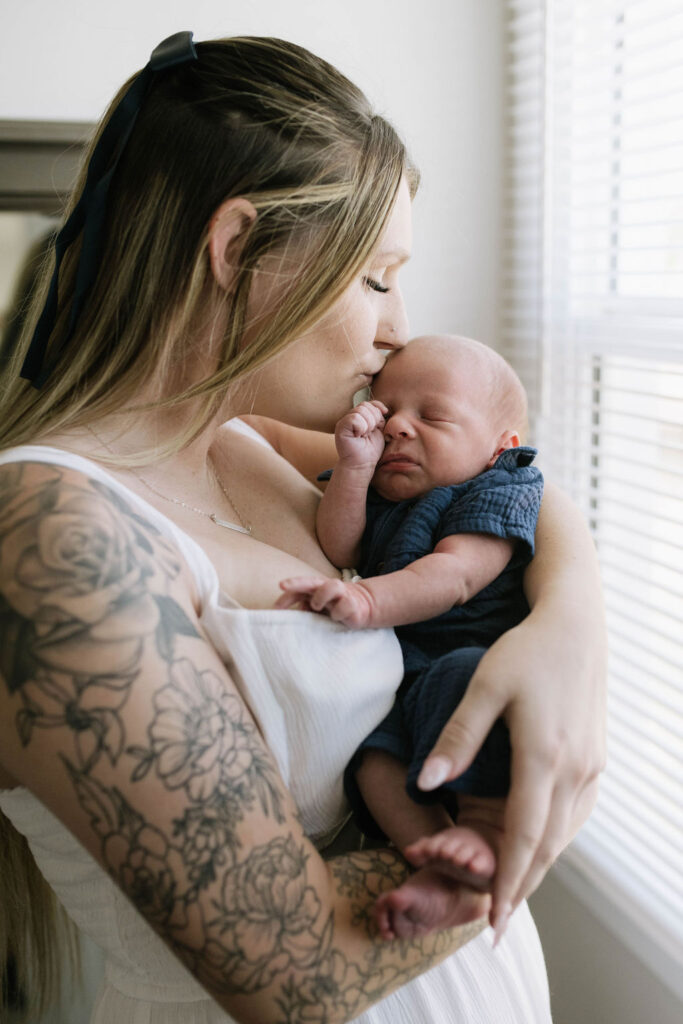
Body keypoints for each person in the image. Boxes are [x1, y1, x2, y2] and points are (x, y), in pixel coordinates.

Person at [0, 32, 606, 1024]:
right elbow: (302, 969)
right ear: (235, 247)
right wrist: (512, 826)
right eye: (375, 278)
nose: (395, 328)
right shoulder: (53, 532)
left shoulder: (239, 442)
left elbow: (498, 474)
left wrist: (568, 626)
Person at [277, 334, 543, 942]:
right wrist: (353, 467)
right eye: (385, 409)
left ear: (502, 446)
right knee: (374, 762)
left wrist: (367, 599)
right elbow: (340, 545)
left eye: (433, 415)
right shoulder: (378, 484)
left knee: (464, 680)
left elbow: (453, 576)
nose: (398, 427)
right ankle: (433, 859)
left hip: (467, 673)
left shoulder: (500, 488)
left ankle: (481, 828)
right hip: (409, 685)